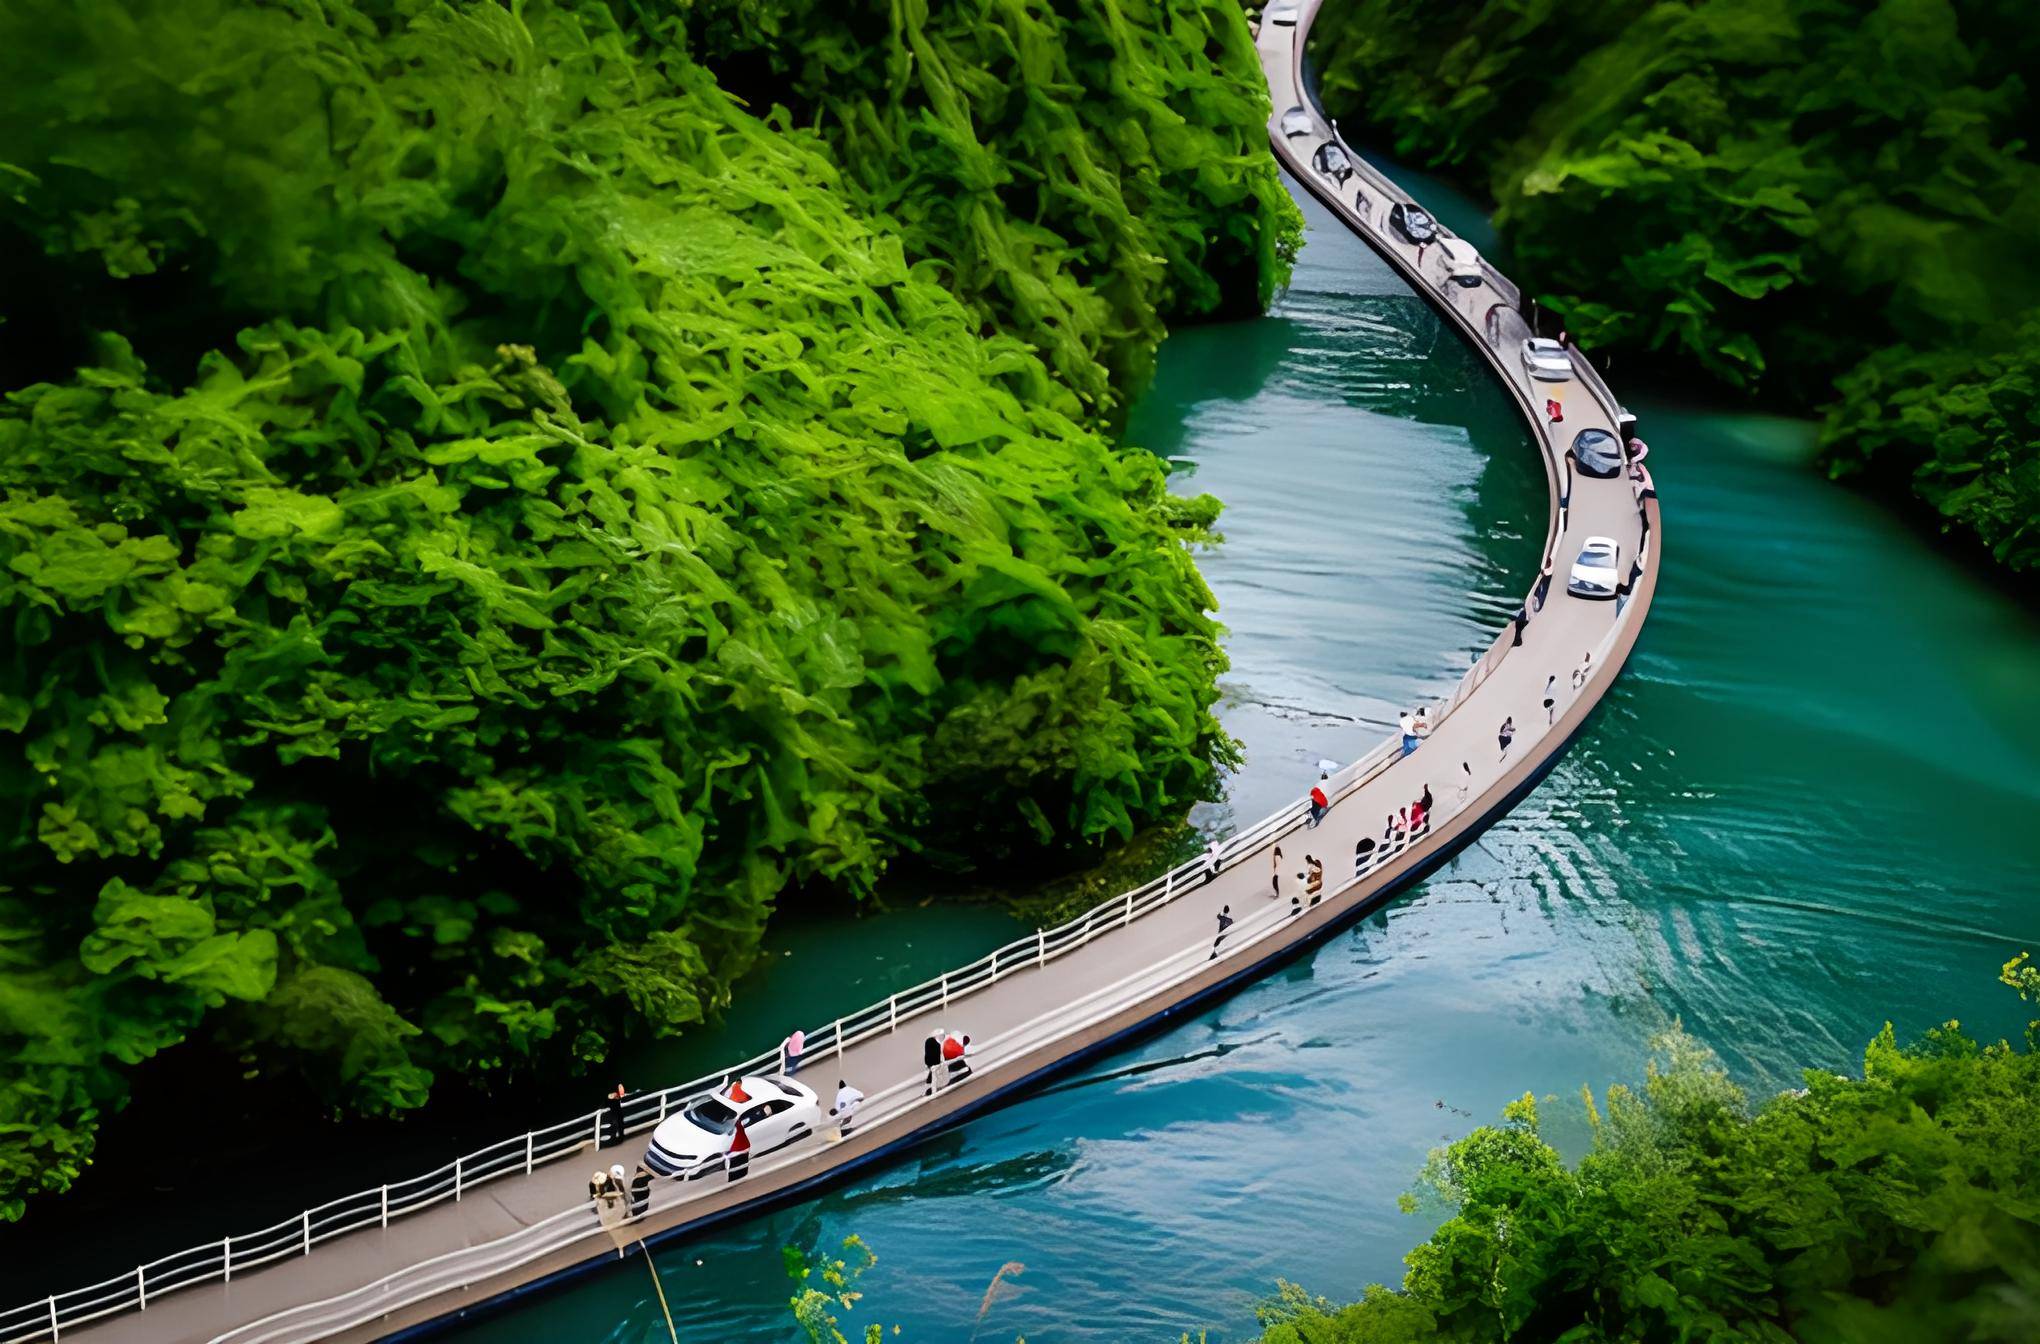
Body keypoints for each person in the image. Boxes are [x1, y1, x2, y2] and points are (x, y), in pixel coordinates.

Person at [602, 1082, 629, 1148]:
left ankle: (619, 1138)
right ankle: (618, 1138)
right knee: (617, 1124)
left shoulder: (615, 1096)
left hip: (616, 1112)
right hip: (615, 1112)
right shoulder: (612, 1096)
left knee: (619, 1124)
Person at [924, 1029, 945, 1095]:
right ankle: (934, 1089)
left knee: (933, 1076)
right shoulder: (937, 1045)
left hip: (931, 1063)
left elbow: (928, 1055)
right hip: (935, 1063)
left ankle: (930, 1089)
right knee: (935, 1075)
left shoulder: (929, 1042)